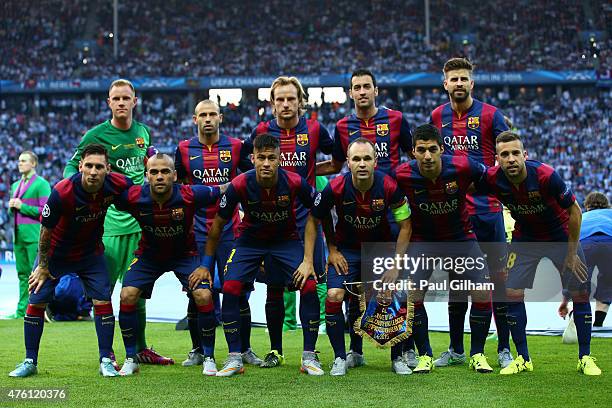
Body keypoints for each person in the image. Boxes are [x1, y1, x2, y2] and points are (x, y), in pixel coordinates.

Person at [64, 79, 172, 365]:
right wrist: (72, 193)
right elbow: (71, 165)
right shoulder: (96, 135)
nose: (121, 102)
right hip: (111, 224)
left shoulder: (143, 133)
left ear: (135, 101)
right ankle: (107, 353)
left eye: (126, 98)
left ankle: (140, 349)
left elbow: (150, 161)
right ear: (109, 103)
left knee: (137, 292)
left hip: (141, 224)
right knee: (104, 292)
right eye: (116, 98)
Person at [478, 131, 601, 375]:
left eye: (515, 153)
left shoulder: (546, 175)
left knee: (580, 291)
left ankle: (585, 357)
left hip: (560, 235)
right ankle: (523, 358)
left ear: (525, 155)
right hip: (526, 238)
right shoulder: (492, 179)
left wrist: (571, 252)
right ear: (497, 159)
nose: (511, 159)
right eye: (504, 155)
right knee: (511, 291)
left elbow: (575, 211)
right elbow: (465, 185)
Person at [316, 68, 414, 368]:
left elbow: (413, 157)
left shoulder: (396, 119)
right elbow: (333, 165)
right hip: (352, 226)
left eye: (366, 86)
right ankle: (351, 353)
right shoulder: (343, 126)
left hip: (388, 216)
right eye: (356, 87)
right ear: (350, 92)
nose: (361, 91)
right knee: (348, 295)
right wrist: (299, 173)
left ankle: (404, 351)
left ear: (375, 90)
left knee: (393, 291)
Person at [9, 144, 133, 377]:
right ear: (80, 167)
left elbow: (138, 196)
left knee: (102, 300)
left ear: (107, 168)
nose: (94, 171)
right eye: (89, 166)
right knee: (36, 302)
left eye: (99, 167)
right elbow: (45, 231)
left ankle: (106, 360)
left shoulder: (117, 183)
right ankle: (29, 361)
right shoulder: (63, 191)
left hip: (90, 254)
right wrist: (43, 266)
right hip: (56, 254)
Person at [203, 133, 322, 377]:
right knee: (232, 288)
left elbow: (317, 212)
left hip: (285, 241)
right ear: (253, 159)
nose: (266, 163)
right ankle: (235, 357)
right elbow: (217, 225)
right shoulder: (239, 184)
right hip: (250, 242)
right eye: (261, 158)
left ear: (280, 159)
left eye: (271, 158)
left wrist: (309, 259)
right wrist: (206, 263)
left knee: (308, 286)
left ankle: (309, 356)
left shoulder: (295, 182)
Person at [299, 138, 412, 375]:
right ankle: (344, 357)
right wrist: (331, 250)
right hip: (347, 250)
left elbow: (405, 226)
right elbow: (314, 220)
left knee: (395, 293)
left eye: (367, 158)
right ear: (348, 163)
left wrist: (396, 265)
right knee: (334, 294)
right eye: (357, 159)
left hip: (381, 250)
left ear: (375, 162)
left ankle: (398, 358)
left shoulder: (389, 187)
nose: (362, 163)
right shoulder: (335, 187)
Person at [429, 57, 512, 369]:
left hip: (489, 212)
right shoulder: (438, 116)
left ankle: (503, 347)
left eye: (464, 78)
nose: (459, 83)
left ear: (472, 83)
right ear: (445, 83)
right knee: (457, 285)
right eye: (454, 79)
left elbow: (508, 153)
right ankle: (456, 349)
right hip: (455, 215)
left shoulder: (492, 115)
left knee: (498, 283)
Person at [394, 124, 494, 374]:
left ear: (441, 149)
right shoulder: (402, 174)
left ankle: (477, 354)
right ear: (413, 152)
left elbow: (489, 179)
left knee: (482, 292)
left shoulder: (463, 166)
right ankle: (425, 355)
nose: (427, 156)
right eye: (421, 150)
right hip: (423, 241)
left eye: (432, 150)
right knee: (413, 297)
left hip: (461, 238)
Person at [247, 76, 333, 366]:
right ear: (272, 105)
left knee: (310, 284)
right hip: (272, 222)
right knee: (273, 287)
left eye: (291, 99)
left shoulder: (315, 129)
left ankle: (310, 352)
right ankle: (275, 350)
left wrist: (310, 170)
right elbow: (246, 165)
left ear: (301, 102)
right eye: (280, 99)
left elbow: (337, 161)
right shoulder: (261, 131)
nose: (285, 104)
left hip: (306, 220)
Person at [112, 154, 222, 376]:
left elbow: (226, 189)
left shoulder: (191, 194)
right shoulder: (133, 197)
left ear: (174, 175)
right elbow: (104, 196)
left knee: (204, 295)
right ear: (146, 176)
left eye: (164, 172)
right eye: (154, 172)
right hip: (148, 255)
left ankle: (209, 357)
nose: (159, 176)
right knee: (127, 295)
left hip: (185, 255)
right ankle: (131, 358)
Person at [175, 100, 259, 368]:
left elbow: (248, 181)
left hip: (230, 230)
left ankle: (244, 349)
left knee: (238, 290)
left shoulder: (236, 147)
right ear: (194, 119)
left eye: (212, 114)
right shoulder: (183, 149)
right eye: (203, 115)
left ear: (220, 118)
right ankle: (198, 349)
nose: (208, 119)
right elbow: (179, 189)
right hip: (198, 231)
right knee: (197, 291)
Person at [7, 151, 51, 319]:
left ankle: (39, 310)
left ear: (33, 164)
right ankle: (21, 311)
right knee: (22, 275)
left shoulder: (41, 184)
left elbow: (45, 211)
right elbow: (14, 213)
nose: (20, 163)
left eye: (24, 161)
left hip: (34, 236)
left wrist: (22, 206)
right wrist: (12, 207)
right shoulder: (15, 185)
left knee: (36, 276)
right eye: (19, 161)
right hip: (18, 236)